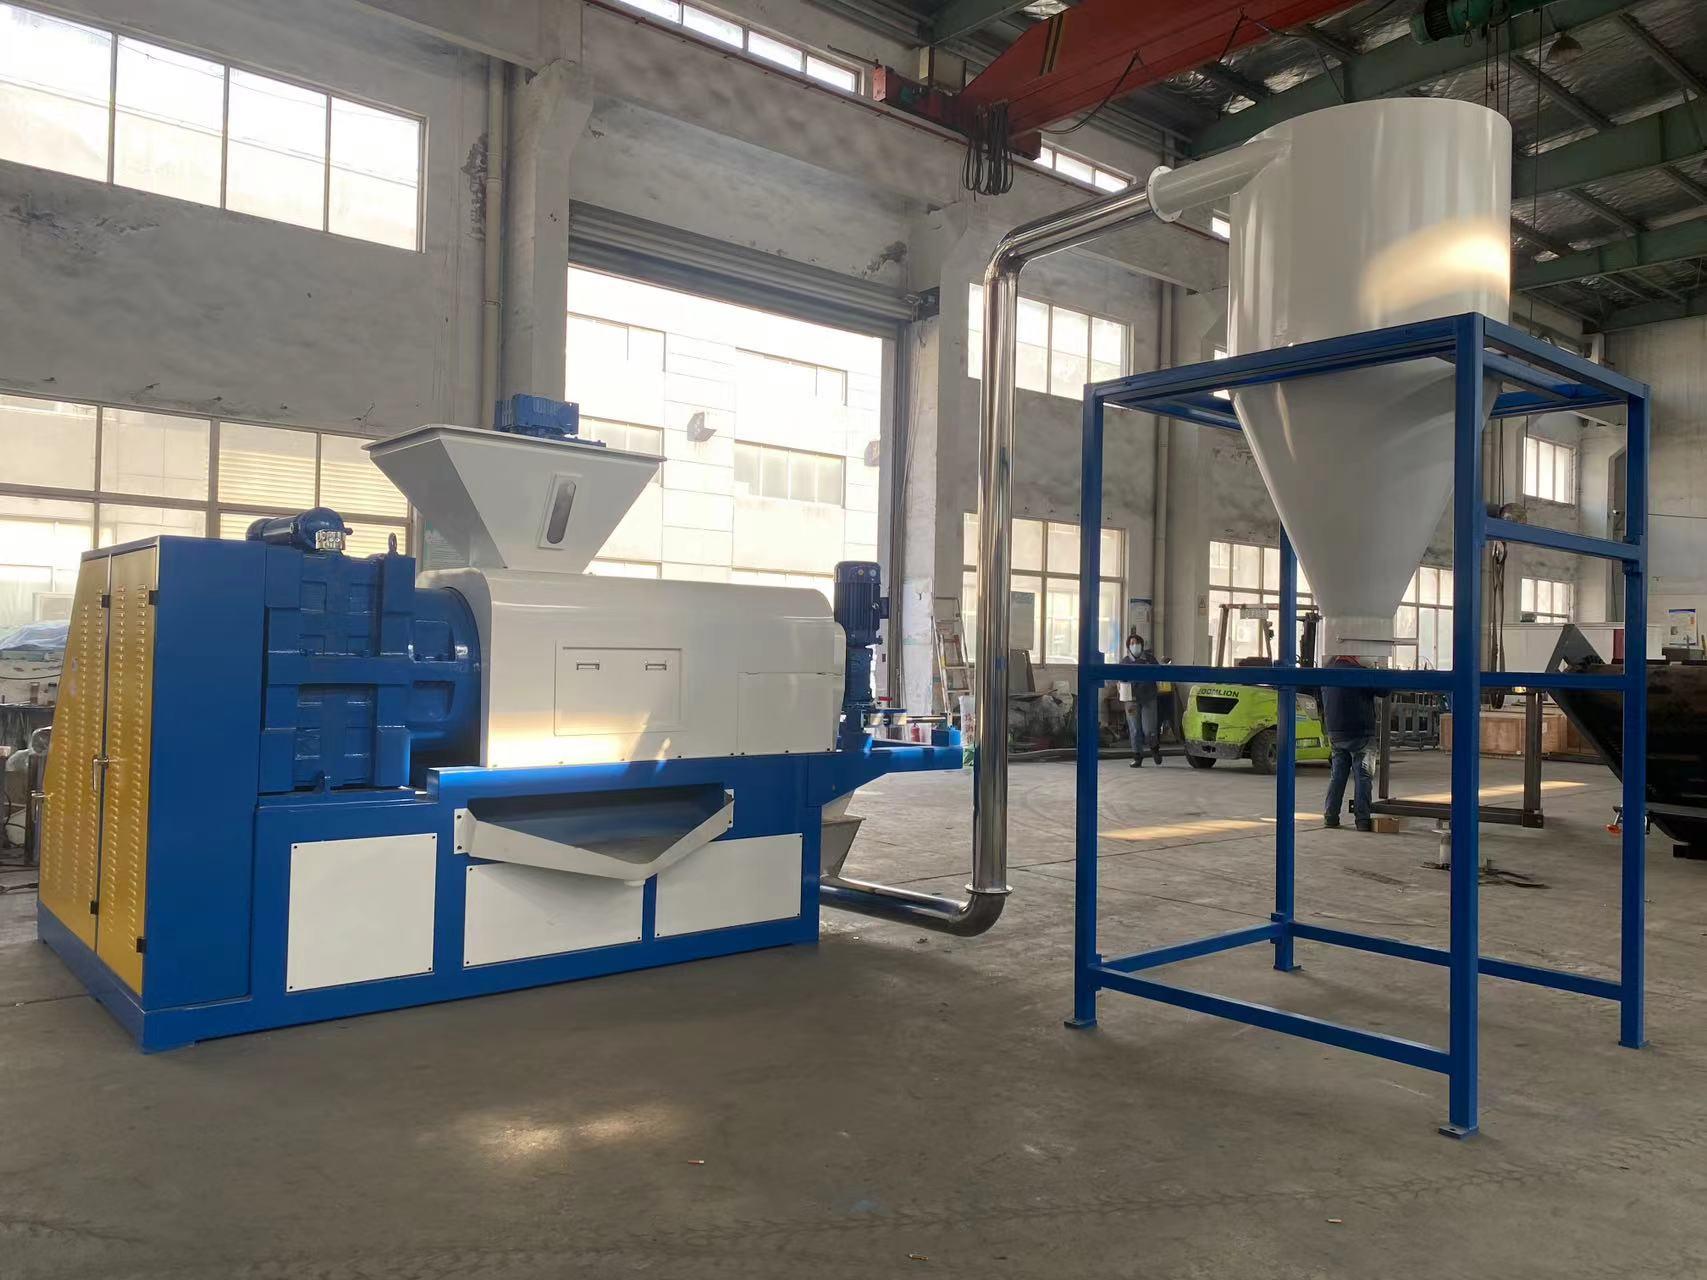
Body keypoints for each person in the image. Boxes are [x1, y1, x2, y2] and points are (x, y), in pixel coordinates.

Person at [1322, 655, 1377, 830]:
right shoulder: (1360, 672)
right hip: (1360, 733)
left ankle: (1330, 817)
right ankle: (1362, 820)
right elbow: (1385, 689)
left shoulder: (1326, 672)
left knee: (1337, 776)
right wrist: (1375, 670)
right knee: (1363, 776)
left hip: (1336, 733)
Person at [1120, 631, 1163, 768]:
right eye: (1132, 643)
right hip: (1131, 700)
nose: (1135, 645)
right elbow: (1120, 679)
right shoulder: (1125, 662)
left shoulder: (1150, 660)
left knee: (1149, 728)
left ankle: (1154, 748)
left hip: (1148, 698)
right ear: (1128, 646)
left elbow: (1159, 673)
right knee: (1134, 729)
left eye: (1137, 643)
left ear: (1142, 645)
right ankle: (1137, 756)